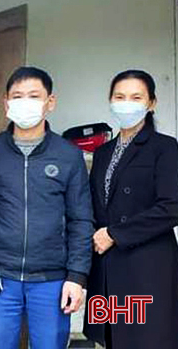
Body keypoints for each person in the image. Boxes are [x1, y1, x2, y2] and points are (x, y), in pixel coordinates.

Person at [0, 66, 94, 349]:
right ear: (6, 103)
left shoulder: (68, 155)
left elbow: (81, 219)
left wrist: (77, 276)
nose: (25, 102)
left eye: (33, 96)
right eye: (17, 96)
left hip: (51, 278)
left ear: (50, 102)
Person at [83, 70, 178, 349]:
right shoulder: (103, 152)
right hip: (108, 268)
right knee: (114, 339)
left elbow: (172, 206)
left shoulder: (165, 147)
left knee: (148, 340)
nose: (127, 104)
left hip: (147, 267)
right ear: (110, 101)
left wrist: (115, 234)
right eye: (120, 97)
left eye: (136, 97)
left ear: (151, 103)